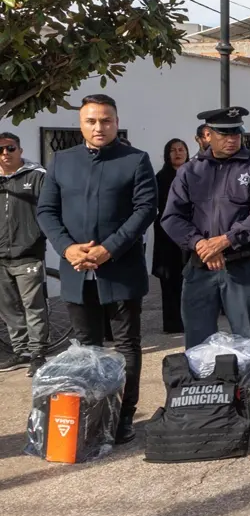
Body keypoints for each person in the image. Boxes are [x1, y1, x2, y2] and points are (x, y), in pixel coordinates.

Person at [37, 94, 157, 444]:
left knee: (126, 344)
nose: (98, 127)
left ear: (116, 122)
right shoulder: (61, 160)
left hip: (120, 267)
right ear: (81, 124)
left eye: (105, 120)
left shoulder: (135, 160)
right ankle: (92, 412)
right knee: (85, 345)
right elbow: (47, 211)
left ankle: (123, 415)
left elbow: (146, 208)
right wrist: (67, 248)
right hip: (76, 268)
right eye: (91, 121)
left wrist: (109, 249)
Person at [162, 106, 250, 431]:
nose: (232, 139)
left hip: (242, 267)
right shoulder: (189, 172)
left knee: (249, 340)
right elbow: (172, 217)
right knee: (198, 340)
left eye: (236, 132)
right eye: (224, 133)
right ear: (207, 135)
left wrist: (226, 241)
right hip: (200, 267)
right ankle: (202, 405)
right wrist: (200, 243)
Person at [0, 132, 51, 376]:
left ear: (20, 150)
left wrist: (38, 236)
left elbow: (49, 209)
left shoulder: (36, 176)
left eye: (10, 148)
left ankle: (38, 352)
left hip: (27, 252)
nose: (5, 154)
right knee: (8, 307)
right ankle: (20, 351)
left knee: (33, 306)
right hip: (0, 256)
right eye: (0, 150)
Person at [152, 138, 191, 334]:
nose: (177, 153)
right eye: (173, 150)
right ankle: (173, 322)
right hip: (167, 237)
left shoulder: (194, 174)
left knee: (190, 280)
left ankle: (191, 319)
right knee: (170, 281)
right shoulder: (161, 178)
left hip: (191, 235)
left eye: (181, 149)